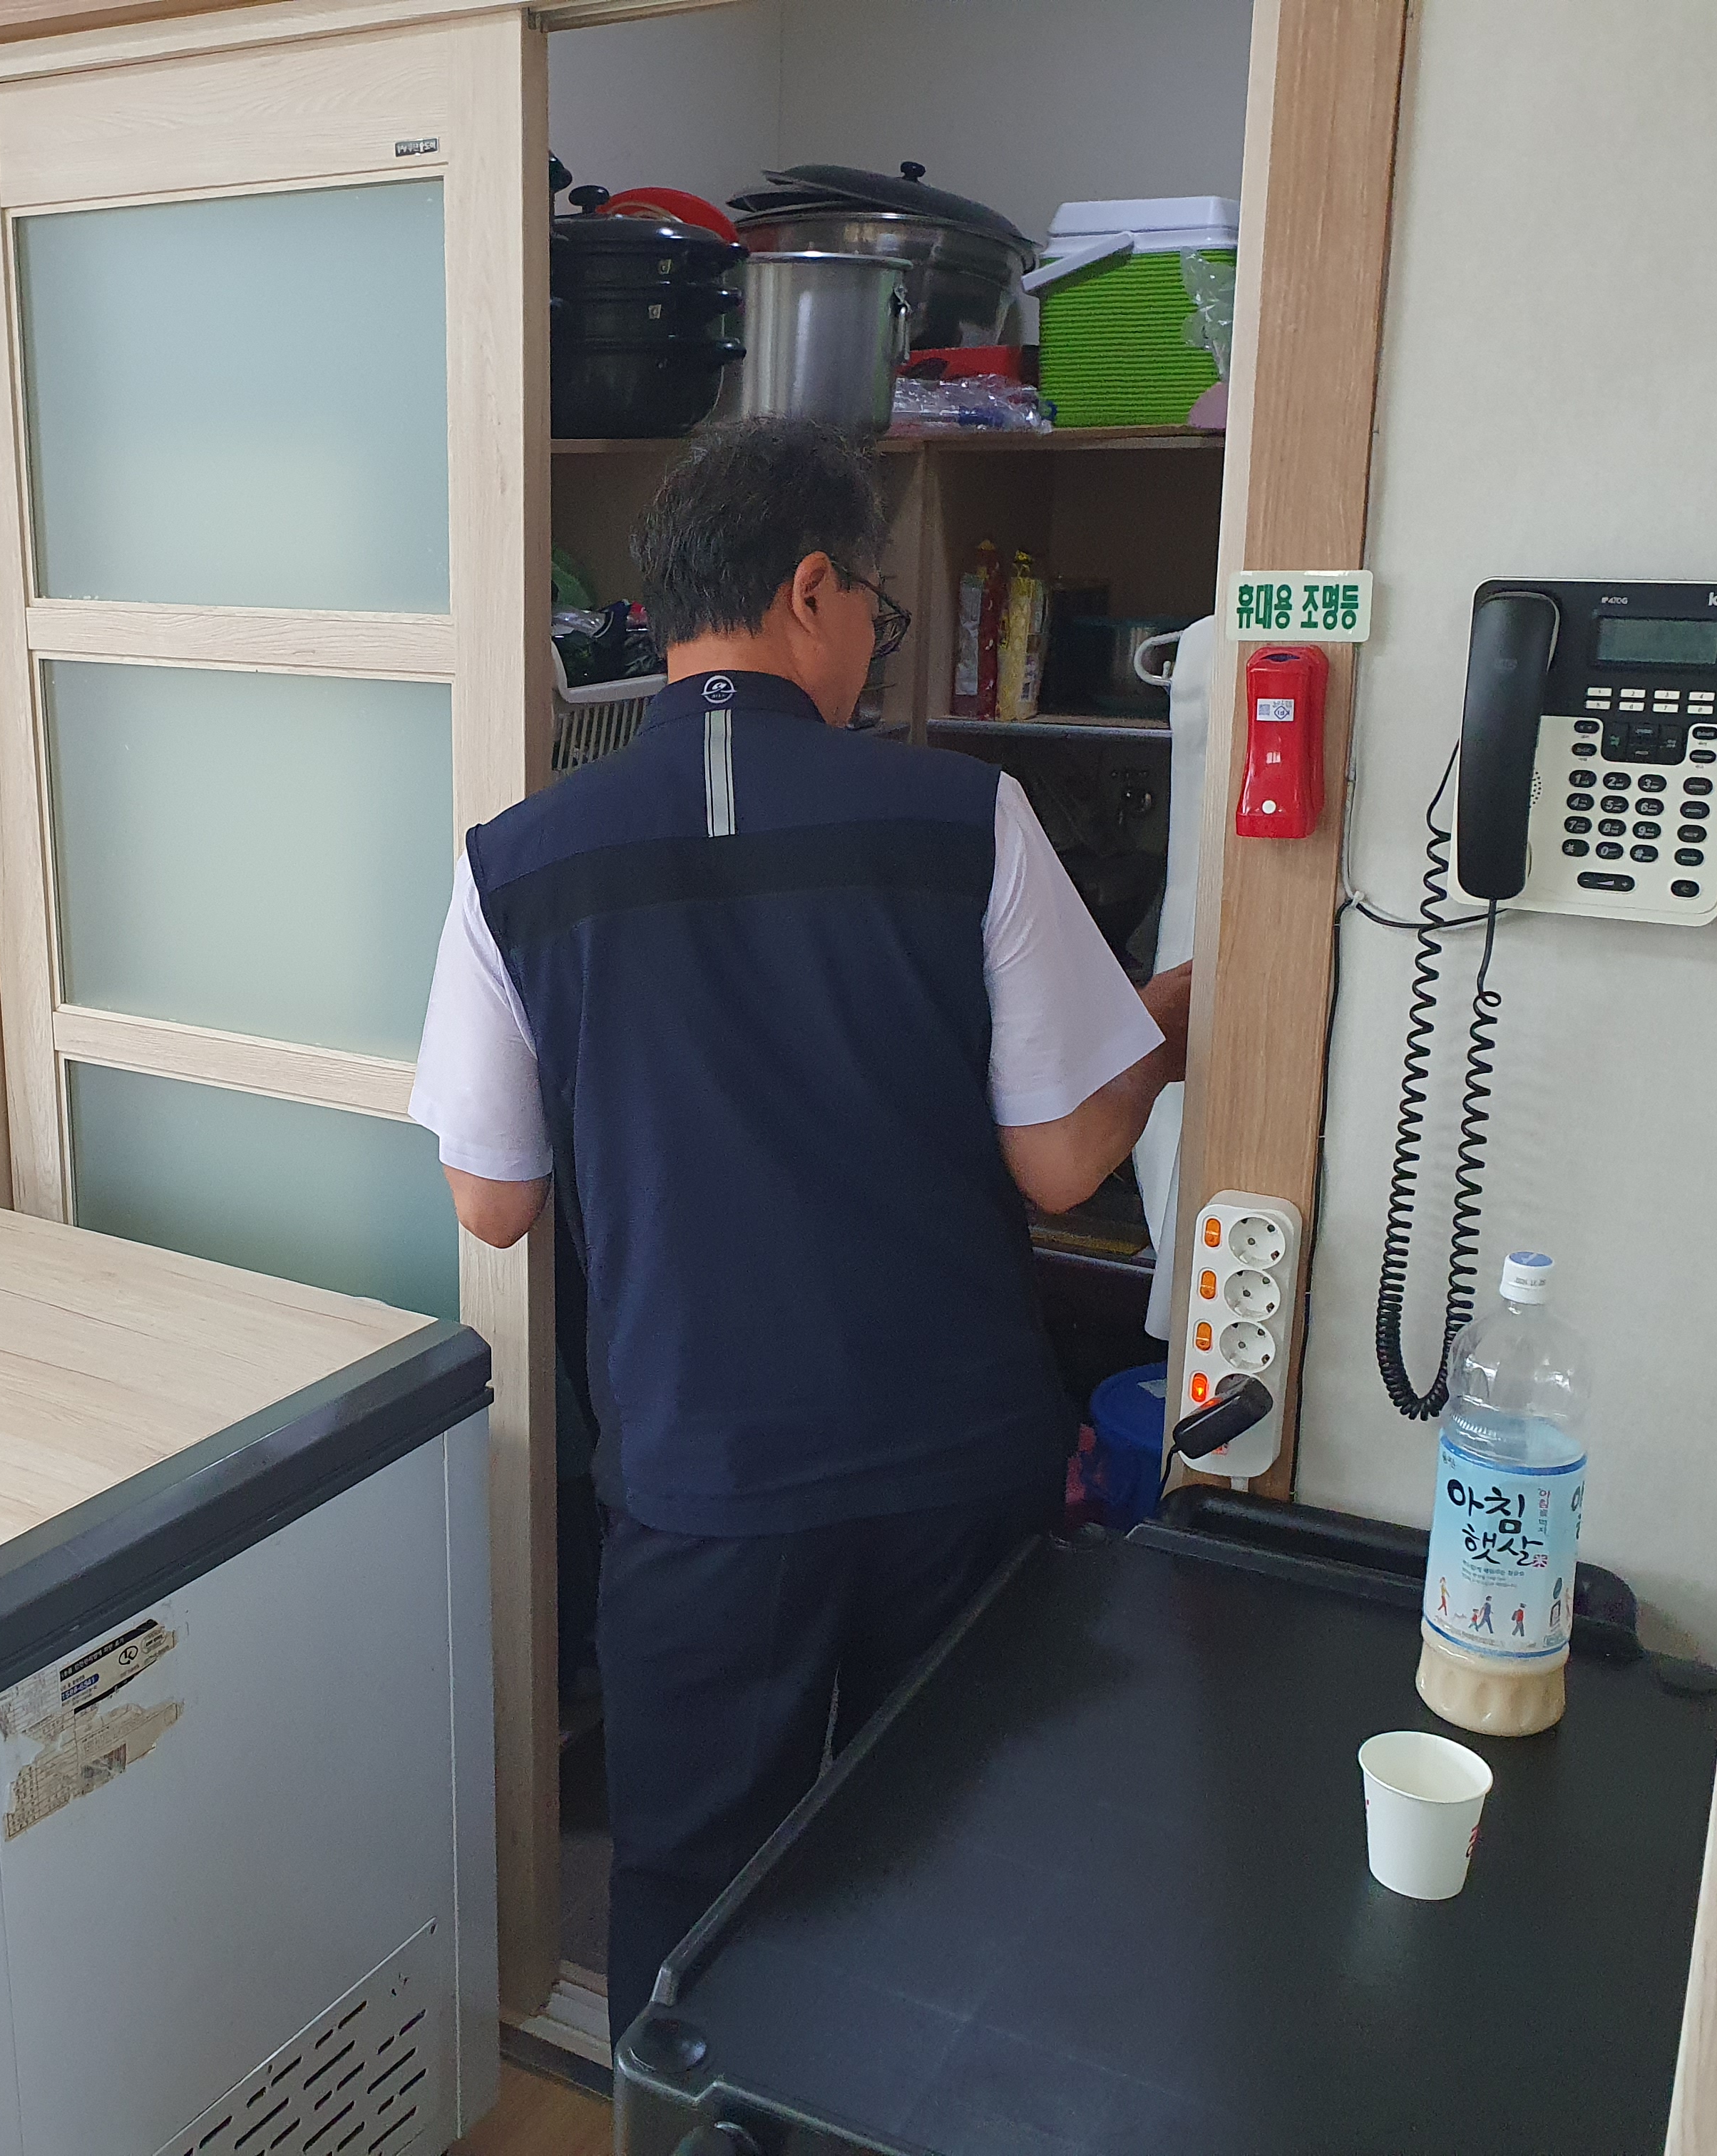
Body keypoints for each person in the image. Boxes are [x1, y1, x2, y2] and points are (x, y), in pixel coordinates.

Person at [408, 416, 1191, 2036]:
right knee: (956, 1857)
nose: (869, 650)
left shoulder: (517, 865)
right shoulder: (962, 818)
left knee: (690, 1884)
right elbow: (1064, 1163)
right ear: (813, 591)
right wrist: (1162, 1022)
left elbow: (492, 1205)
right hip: (950, 1463)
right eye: (877, 617)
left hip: (701, 1482)